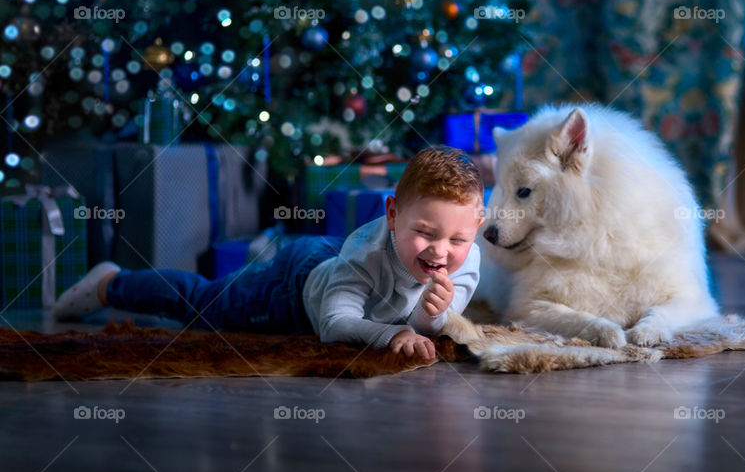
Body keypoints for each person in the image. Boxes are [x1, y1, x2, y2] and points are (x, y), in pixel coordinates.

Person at [53, 146, 485, 360]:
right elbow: (334, 326)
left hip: (337, 265)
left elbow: (428, 326)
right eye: (425, 232)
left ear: (475, 229)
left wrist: (431, 317)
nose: (440, 251)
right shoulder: (366, 255)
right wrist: (393, 335)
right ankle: (112, 284)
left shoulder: (467, 259)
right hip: (295, 288)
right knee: (207, 304)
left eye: (457, 240)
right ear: (392, 213)